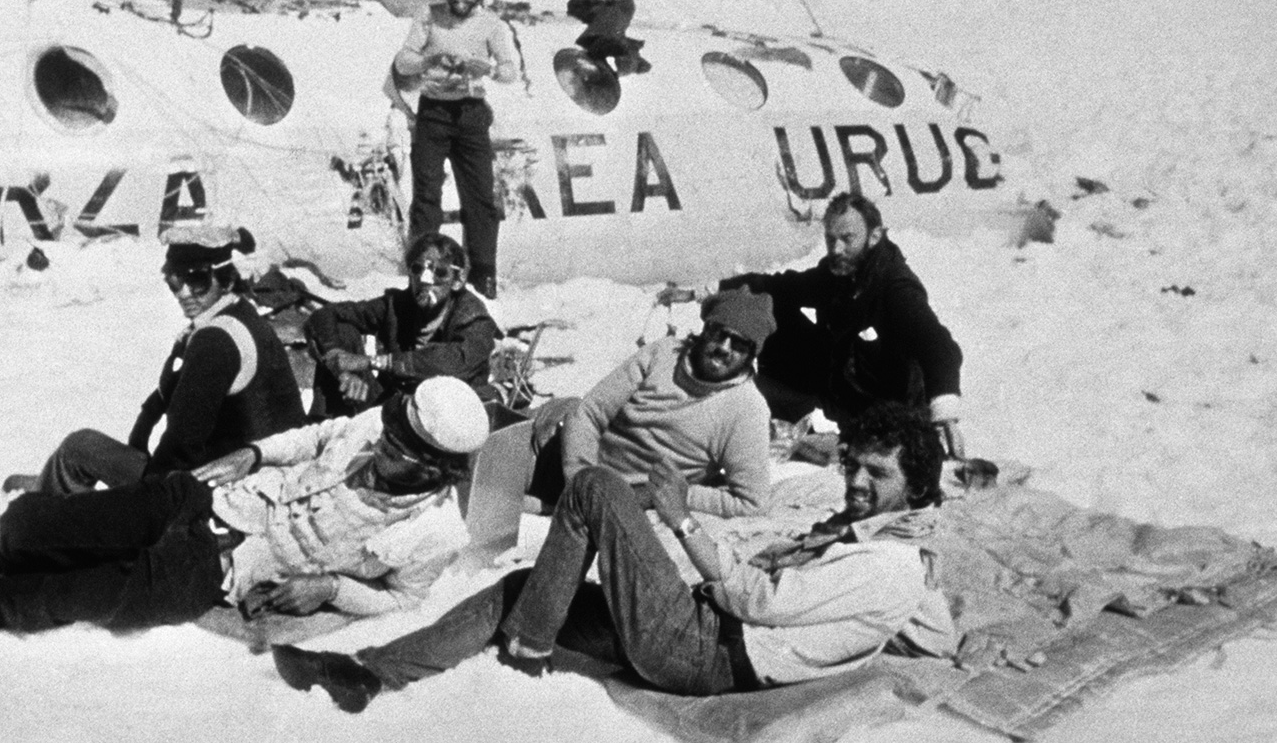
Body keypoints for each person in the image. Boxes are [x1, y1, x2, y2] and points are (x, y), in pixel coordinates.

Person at [271, 401, 958, 712]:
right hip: (703, 630)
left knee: (595, 488)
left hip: (710, 653)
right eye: (857, 467)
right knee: (524, 585)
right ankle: (368, 676)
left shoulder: (890, 562)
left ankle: (533, 642)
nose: (858, 483)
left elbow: (759, 602)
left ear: (917, 488)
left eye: (878, 475)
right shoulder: (871, 539)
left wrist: (684, 520)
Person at [0, 377, 490, 659]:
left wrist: (331, 590)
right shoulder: (381, 423)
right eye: (387, 432)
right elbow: (314, 436)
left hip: (210, 571)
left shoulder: (437, 532)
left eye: (397, 452)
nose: (378, 447)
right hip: (200, 502)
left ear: (435, 469)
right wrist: (251, 452)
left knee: (34, 599)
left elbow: (403, 596)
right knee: (28, 527)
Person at [2, 225, 306, 496]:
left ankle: (50, 496)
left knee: (79, 447)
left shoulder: (215, 340)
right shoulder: (239, 313)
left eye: (197, 279)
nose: (183, 292)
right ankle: (53, 484)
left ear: (225, 278)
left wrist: (145, 499)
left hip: (223, 487)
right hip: (265, 470)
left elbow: (181, 444)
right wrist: (143, 428)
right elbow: (171, 391)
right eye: (174, 280)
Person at [659, 192, 965, 456]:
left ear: (875, 237)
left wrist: (945, 417)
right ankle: (778, 406)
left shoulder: (896, 287)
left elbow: (939, 345)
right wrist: (701, 292)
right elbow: (780, 286)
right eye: (831, 238)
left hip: (883, 408)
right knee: (776, 306)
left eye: (847, 239)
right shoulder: (840, 272)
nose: (836, 249)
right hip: (841, 386)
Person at [529, 288, 777, 518]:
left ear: (751, 355)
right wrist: (579, 482)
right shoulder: (662, 355)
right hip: (565, 462)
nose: (724, 347)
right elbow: (588, 414)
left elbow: (751, 502)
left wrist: (666, 494)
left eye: (739, 343)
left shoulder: (747, 409)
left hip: (624, 502)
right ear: (705, 329)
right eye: (718, 333)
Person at [393, 0, 520, 300]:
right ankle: (420, 272)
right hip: (433, 113)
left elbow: (511, 71)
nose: (461, 4)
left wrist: (489, 69)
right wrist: (426, 63)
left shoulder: (490, 23)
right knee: (426, 198)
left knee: (480, 198)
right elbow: (403, 61)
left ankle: (484, 273)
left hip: (470, 113)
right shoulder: (428, 15)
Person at [304, 231, 499, 420]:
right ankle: (323, 427)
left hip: (446, 417)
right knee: (342, 330)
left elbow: (455, 361)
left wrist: (373, 361)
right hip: (397, 407)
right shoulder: (398, 305)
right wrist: (339, 364)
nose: (425, 280)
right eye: (417, 269)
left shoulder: (473, 318)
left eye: (440, 273)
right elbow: (325, 315)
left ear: (457, 281)